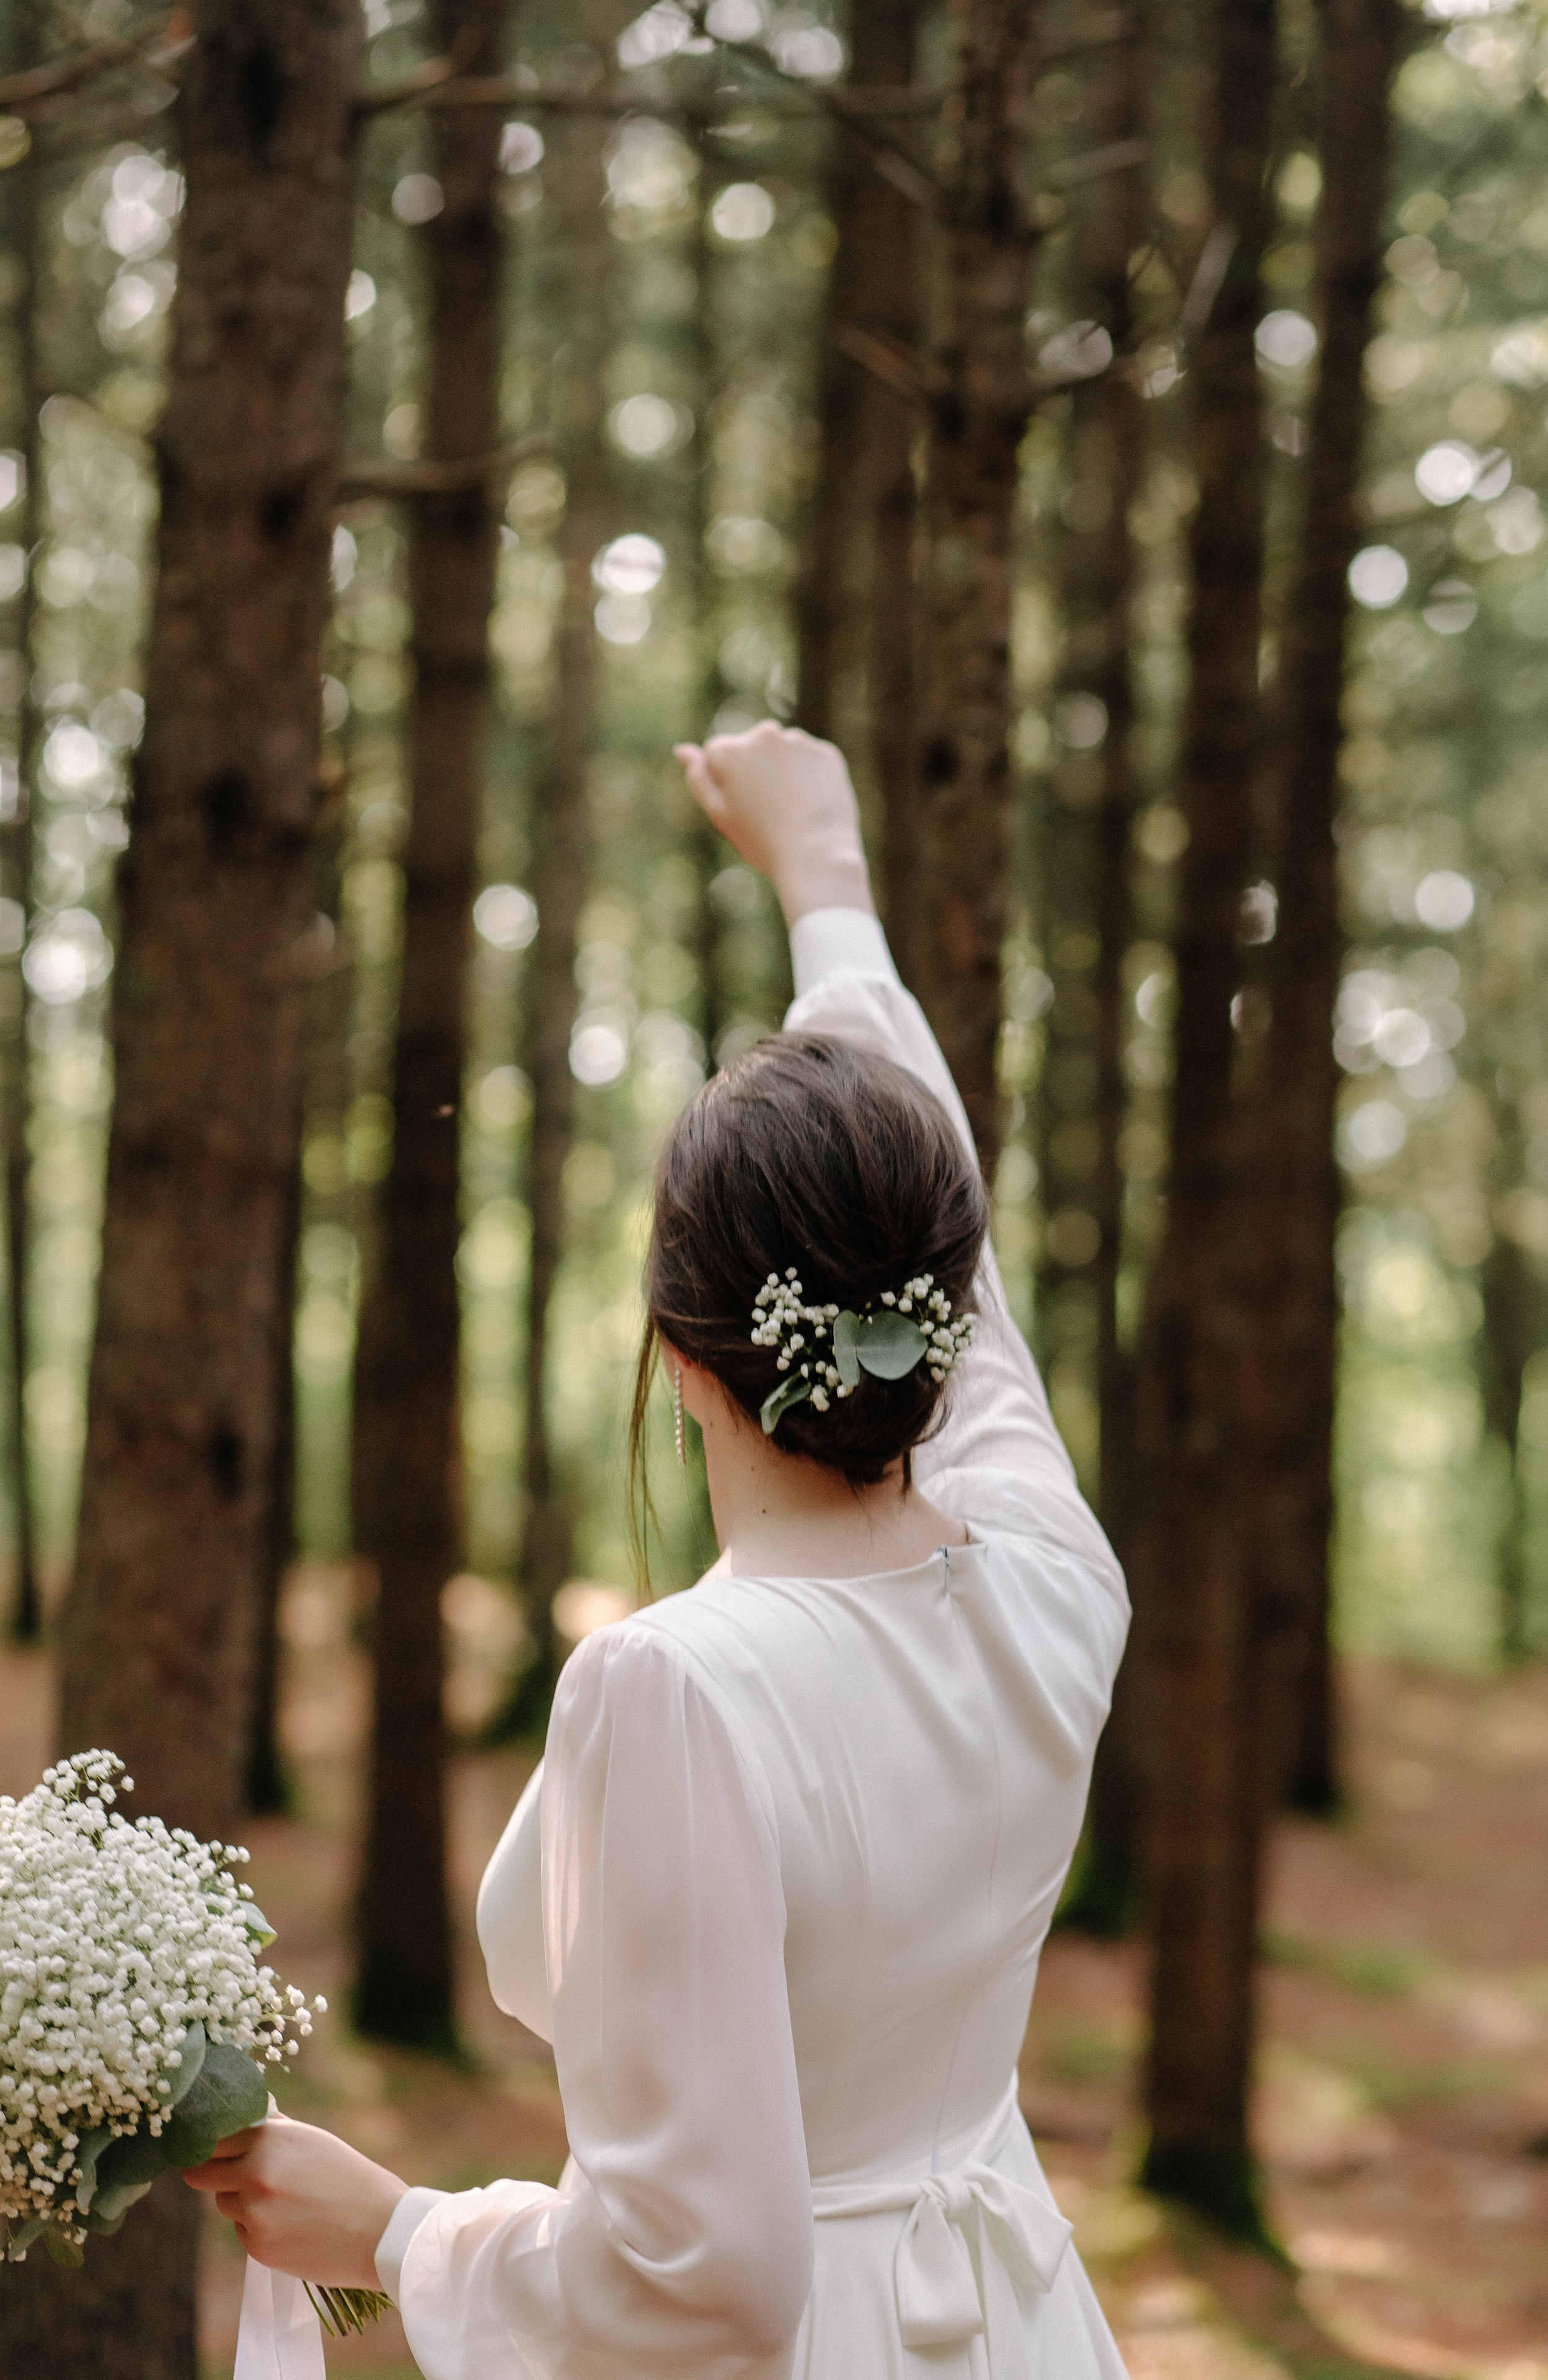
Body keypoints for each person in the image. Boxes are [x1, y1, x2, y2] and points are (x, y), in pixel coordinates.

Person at [185, 725, 1131, 2380]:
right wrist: (826, 887)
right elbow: (954, 1272)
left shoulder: (679, 1691)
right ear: (938, 1315)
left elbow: (711, 2285)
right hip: (1020, 2323)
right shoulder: (1053, 1568)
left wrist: (398, 2231)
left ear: (680, 1356)